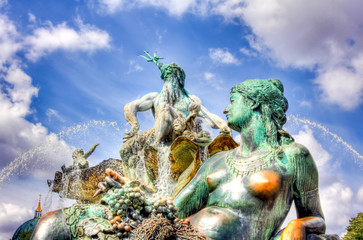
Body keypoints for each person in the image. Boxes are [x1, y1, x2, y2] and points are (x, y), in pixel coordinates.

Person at [173, 79, 326, 240]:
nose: (225, 110)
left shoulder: (294, 156)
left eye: (232, 101)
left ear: (253, 103)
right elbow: (173, 210)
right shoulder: (215, 160)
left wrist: (299, 224)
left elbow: (318, 219)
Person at [123, 51, 230, 145]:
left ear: (179, 80)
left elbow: (209, 117)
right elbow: (130, 106)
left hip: (185, 136)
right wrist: (135, 125)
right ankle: (157, 144)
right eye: (167, 77)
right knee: (164, 107)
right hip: (162, 137)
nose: (169, 81)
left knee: (167, 108)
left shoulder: (191, 100)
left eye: (173, 77)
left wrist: (224, 126)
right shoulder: (156, 97)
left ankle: (157, 144)